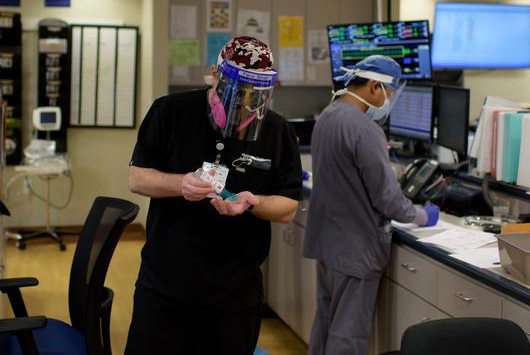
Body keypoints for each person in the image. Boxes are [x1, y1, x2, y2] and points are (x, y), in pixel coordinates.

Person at [125, 36, 303, 354]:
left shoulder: (277, 131)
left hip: (235, 295)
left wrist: (254, 202)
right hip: (166, 288)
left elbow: (288, 207)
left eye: (255, 96)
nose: (244, 103)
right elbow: (137, 179)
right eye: (237, 92)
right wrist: (181, 184)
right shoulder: (170, 112)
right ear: (214, 74)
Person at [303, 55, 440, 355]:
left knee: (325, 322)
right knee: (347, 336)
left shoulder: (328, 116)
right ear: (375, 87)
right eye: (390, 94)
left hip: (327, 243)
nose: (389, 101)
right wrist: (422, 215)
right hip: (354, 249)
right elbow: (388, 198)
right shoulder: (365, 130)